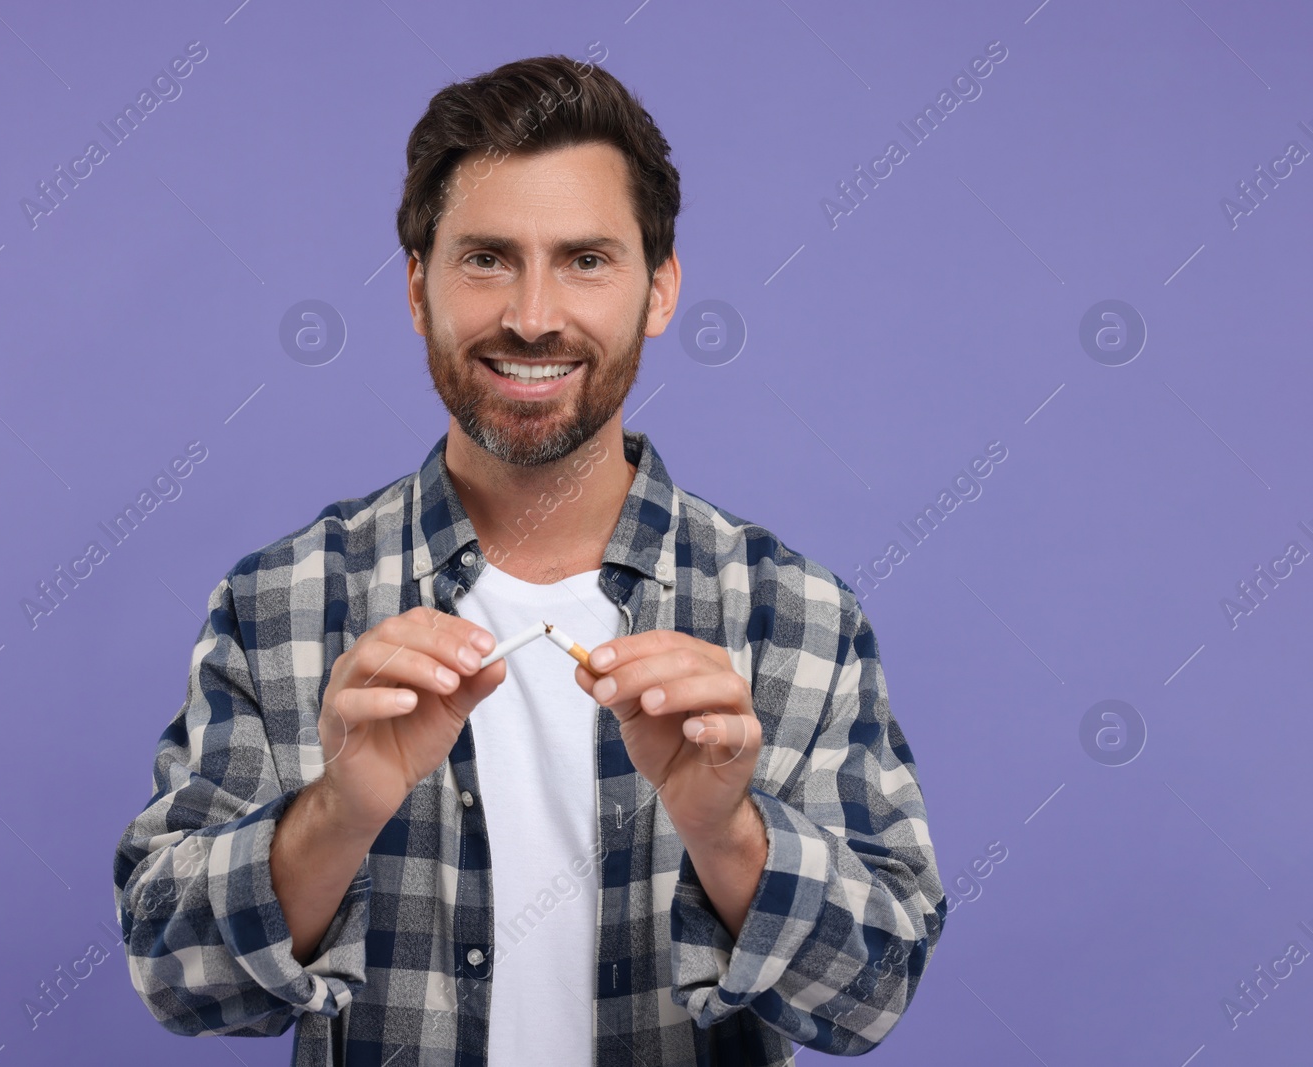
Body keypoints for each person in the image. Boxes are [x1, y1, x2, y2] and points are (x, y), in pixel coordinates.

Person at [113, 53, 945, 1066]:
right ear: (418, 288)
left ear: (660, 289)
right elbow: (174, 974)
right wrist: (337, 810)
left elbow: (873, 994)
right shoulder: (283, 601)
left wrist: (730, 832)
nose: (534, 314)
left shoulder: (797, 616)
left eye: (586, 259)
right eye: (487, 258)